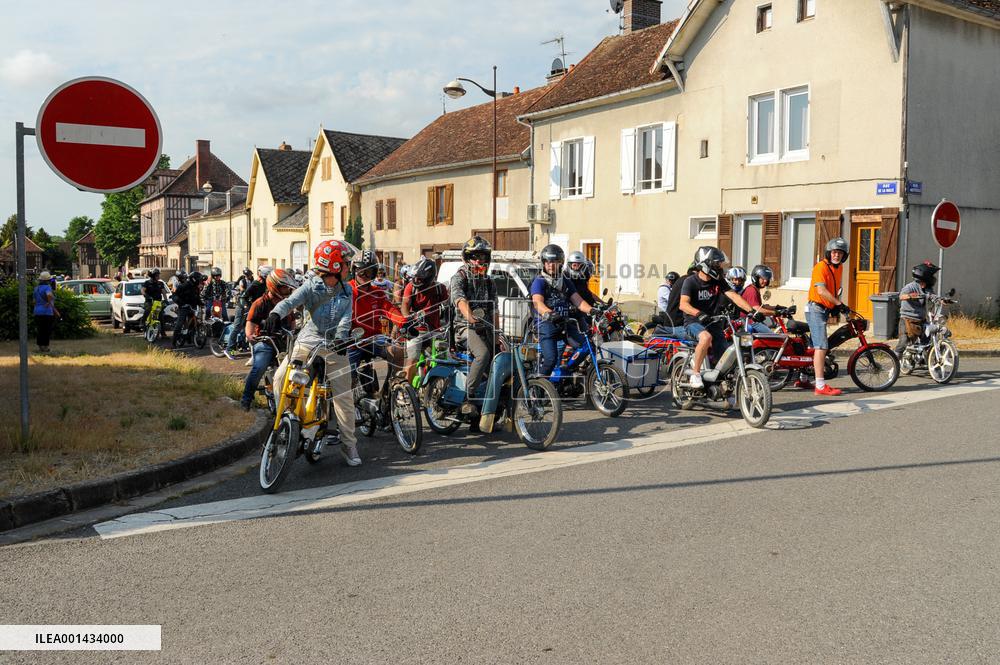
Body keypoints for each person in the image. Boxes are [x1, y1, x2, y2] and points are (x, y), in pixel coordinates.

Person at [266, 240, 361, 466]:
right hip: (307, 341)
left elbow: (346, 321)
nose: (349, 268)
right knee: (280, 378)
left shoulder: (347, 292)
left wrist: (341, 338)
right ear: (335, 267)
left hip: (335, 344)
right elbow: (290, 302)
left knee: (343, 397)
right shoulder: (310, 286)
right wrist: (275, 314)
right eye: (346, 263)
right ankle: (287, 425)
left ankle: (349, 444)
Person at [680, 247, 762, 389]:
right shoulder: (690, 282)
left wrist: (752, 311)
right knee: (705, 338)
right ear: (706, 264)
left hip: (713, 322)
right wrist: (699, 314)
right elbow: (683, 304)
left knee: (725, 354)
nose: (719, 267)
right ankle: (695, 374)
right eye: (717, 264)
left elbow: (734, 296)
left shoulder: (718, 281)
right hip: (693, 322)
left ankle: (722, 386)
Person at [449, 235, 498, 416]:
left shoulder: (489, 281)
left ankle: (491, 406)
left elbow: (494, 310)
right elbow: (459, 300)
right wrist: (471, 318)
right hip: (464, 328)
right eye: (474, 257)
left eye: (482, 256)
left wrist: (498, 333)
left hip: (485, 327)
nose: (479, 260)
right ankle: (467, 397)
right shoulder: (459, 277)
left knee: (503, 357)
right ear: (467, 258)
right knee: (483, 355)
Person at [531, 245, 596, 378]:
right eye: (547, 262)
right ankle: (538, 389)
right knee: (551, 359)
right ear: (543, 262)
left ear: (560, 262)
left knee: (587, 345)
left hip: (565, 324)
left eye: (554, 262)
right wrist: (549, 313)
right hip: (546, 325)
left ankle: (565, 370)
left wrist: (593, 310)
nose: (550, 265)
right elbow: (537, 303)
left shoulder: (565, 280)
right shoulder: (539, 281)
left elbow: (578, 300)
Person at [239, 268, 298, 410]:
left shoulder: (287, 303)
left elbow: (292, 322)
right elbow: (250, 322)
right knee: (259, 367)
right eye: (284, 287)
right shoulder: (260, 303)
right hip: (265, 341)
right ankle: (246, 400)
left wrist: (295, 331)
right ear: (275, 286)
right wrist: (250, 335)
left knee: (298, 369)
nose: (287, 291)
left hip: (284, 342)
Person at [348, 250, 405, 383]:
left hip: (373, 339)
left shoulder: (378, 293)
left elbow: (389, 309)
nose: (365, 276)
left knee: (397, 351)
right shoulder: (346, 291)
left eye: (370, 272)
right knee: (346, 381)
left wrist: (404, 322)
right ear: (354, 271)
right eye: (361, 271)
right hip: (350, 343)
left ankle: (392, 388)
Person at [807, 237, 851, 396]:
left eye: (840, 253)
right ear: (828, 253)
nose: (836, 255)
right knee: (821, 346)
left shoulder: (838, 268)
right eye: (834, 252)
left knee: (814, 345)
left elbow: (834, 290)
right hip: (816, 308)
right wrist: (839, 304)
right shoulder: (821, 267)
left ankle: (804, 377)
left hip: (824, 308)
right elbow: (821, 291)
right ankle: (820, 385)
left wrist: (834, 306)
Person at [401, 257, 449, 382]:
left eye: (419, 278)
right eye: (415, 277)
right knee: (412, 358)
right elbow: (405, 305)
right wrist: (409, 320)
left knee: (442, 358)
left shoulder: (440, 289)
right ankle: (406, 390)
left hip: (436, 330)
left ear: (429, 278)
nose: (416, 280)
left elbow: (449, 306)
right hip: (416, 330)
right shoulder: (410, 287)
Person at [896, 261, 939, 356]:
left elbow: (933, 297)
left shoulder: (927, 288)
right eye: (931, 276)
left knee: (928, 339)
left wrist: (943, 300)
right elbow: (901, 296)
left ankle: (924, 359)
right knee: (904, 341)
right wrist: (910, 296)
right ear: (924, 276)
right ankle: (895, 362)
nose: (933, 278)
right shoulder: (910, 286)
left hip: (921, 319)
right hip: (907, 319)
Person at [226, 268, 255, 357]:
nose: (249, 276)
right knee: (237, 327)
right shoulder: (242, 281)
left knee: (246, 326)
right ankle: (229, 349)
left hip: (248, 306)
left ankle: (243, 345)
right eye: (248, 275)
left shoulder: (252, 281)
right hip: (241, 306)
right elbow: (243, 292)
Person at [172, 270, 205, 339]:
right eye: (198, 280)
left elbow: (197, 298)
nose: (199, 281)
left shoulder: (196, 288)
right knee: (180, 322)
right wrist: (179, 302)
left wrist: (201, 303)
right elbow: (175, 295)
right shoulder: (184, 286)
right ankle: (175, 339)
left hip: (192, 307)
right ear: (194, 279)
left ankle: (191, 337)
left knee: (194, 321)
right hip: (184, 306)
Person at [33, 271, 58, 352]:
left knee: (40, 330)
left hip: (37, 311)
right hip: (46, 311)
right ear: (47, 280)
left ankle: (40, 346)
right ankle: (46, 347)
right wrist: (48, 302)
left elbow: (33, 301)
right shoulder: (47, 287)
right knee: (46, 330)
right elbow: (49, 295)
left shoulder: (36, 289)